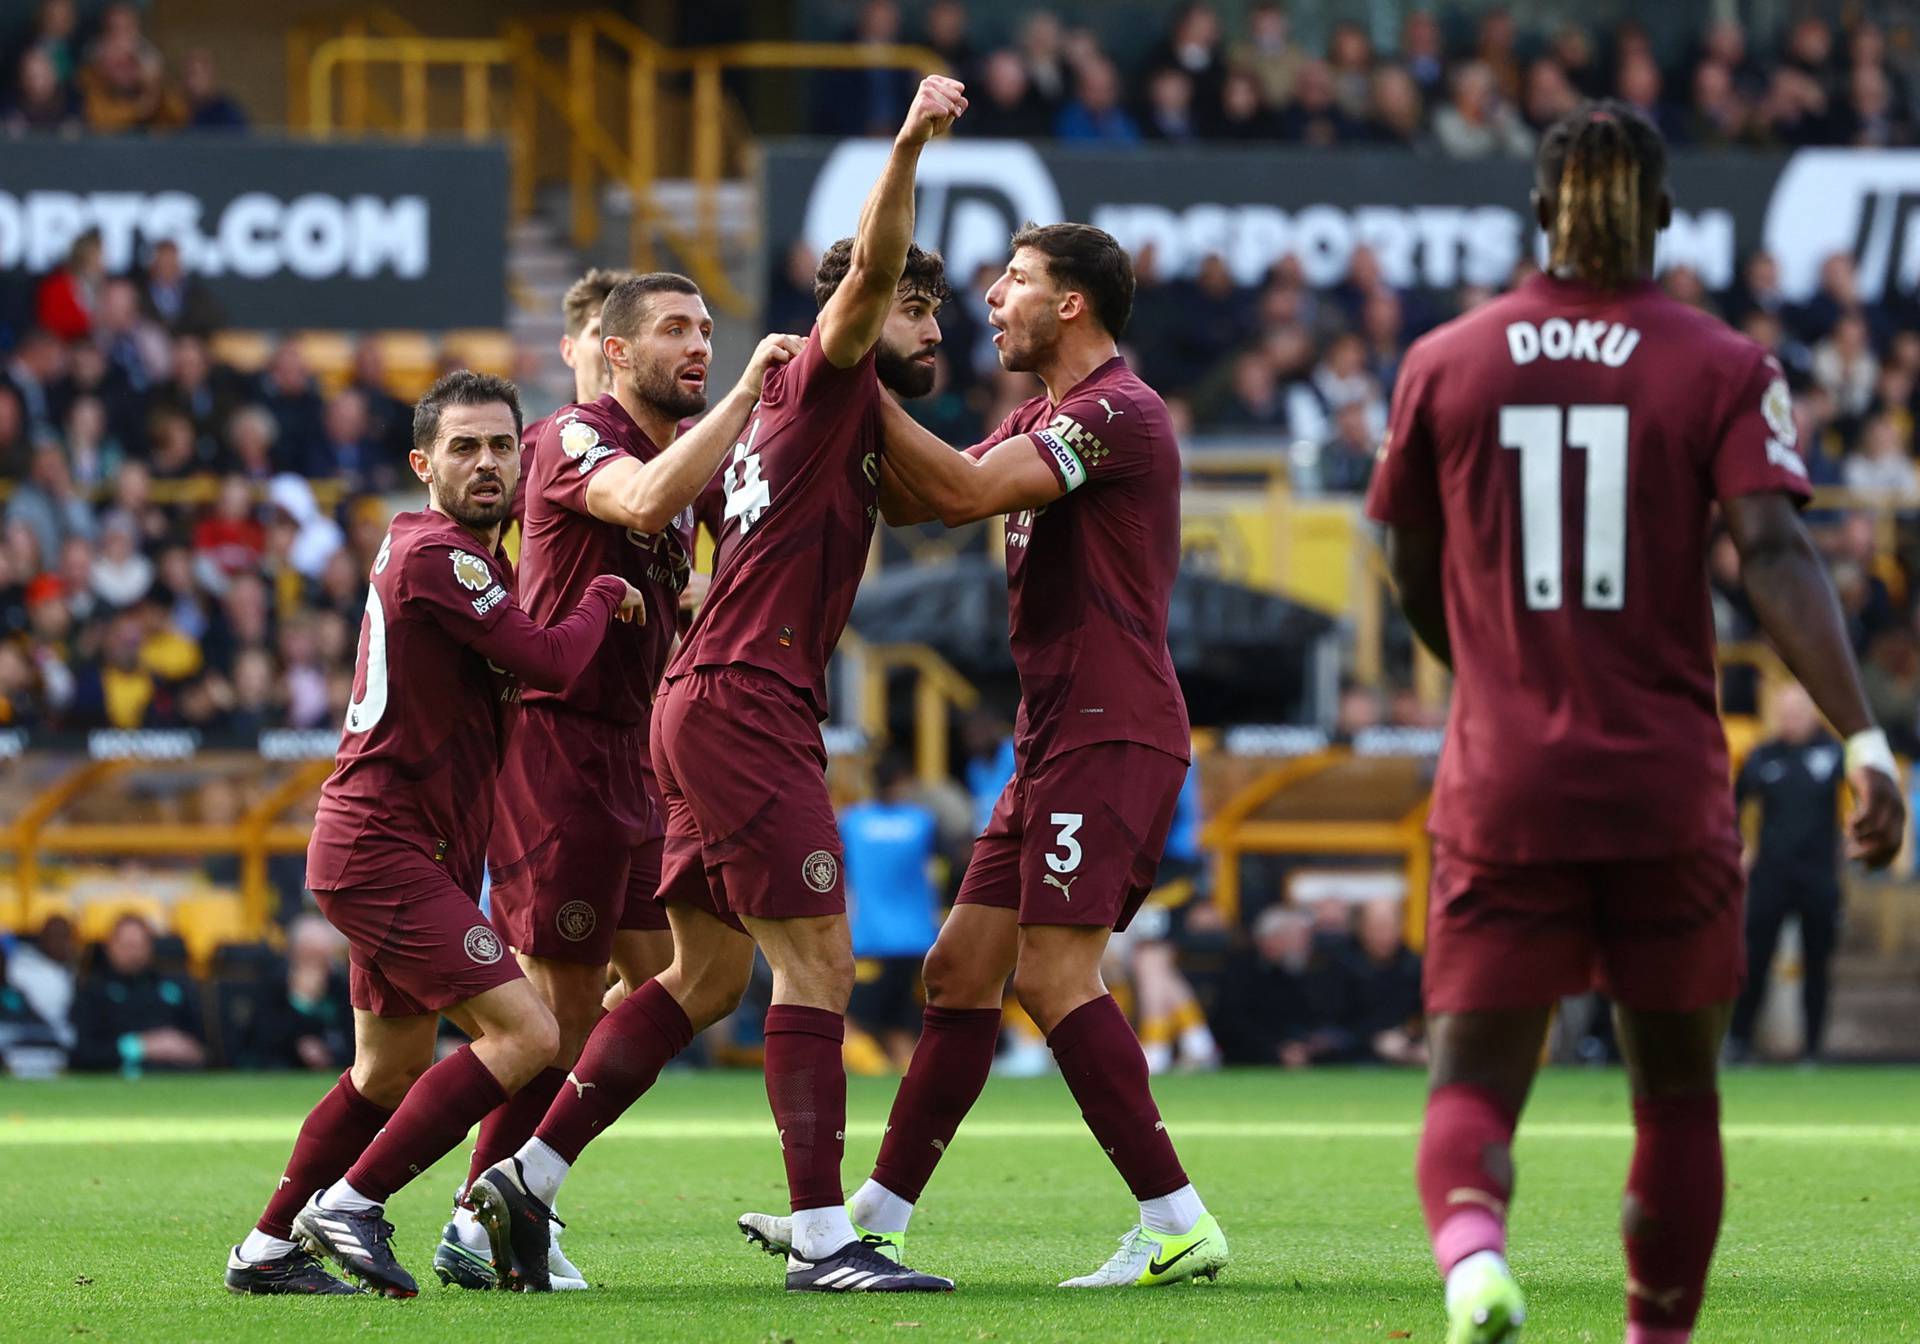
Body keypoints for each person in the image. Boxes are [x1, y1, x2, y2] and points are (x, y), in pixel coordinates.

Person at [1366, 101, 1906, 1344]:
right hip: (1666, 784)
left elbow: (1406, 568)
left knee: (1472, 1087)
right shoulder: (1721, 364)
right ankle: (1653, 1336)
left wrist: (1488, 676)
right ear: (1664, 215)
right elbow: (1773, 552)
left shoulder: (1447, 360)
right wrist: (1865, 739)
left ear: (1541, 210)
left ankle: (1475, 1263)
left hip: (1506, 784)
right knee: (1676, 1104)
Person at [467, 76, 965, 1296]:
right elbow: (872, 274)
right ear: (859, 306)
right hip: (746, 699)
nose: (935, 330)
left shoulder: (818, 417)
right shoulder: (827, 368)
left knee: (708, 976)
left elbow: (937, 487)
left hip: (695, 698)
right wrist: (905, 143)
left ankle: (524, 1180)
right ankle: (821, 1237)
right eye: (916, 308)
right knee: (822, 967)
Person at [752, 220, 1228, 1290]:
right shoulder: (1038, 418)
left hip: (1110, 730)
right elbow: (925, 499)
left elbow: (962, 495)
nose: (991, 296)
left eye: (1014, 280)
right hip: (1053, 738)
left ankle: (1175, 1218)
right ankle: (874, 1216)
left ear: (1071, 304)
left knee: (1056, 976)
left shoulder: (1119, 414)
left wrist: (847, 367)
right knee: (959, 969)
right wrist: (846, 376)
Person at [222, 370, 647, 1298]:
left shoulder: (466, 561)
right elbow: (550, 664)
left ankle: (264, 1249)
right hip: (383, 844)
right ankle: (353, 1203)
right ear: (423, 463)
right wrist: (603, 589)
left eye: (503, 446)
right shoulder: (438, 555)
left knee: (391, 1065)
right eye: (464, 447)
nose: (488, 463)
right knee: (531, 1030)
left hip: (412, 848)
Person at [439, 279, 802, 1293]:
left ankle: (516, 1186)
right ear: (611, 351)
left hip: (636, 756)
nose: (697, 346)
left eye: (705, 330)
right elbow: (639, 505)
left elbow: (681, 567)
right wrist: (743, 396)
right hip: (559, 755)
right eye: (675, 332)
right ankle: (483, 1217)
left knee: (694, 982)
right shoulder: (571, 440)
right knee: (554, 1017)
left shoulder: (670, 461)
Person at [1727, 683, 1848, 1063]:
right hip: (1771, 876)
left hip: (1818, 877)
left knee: (1817, 964)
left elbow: (1863, 800)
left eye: (1798, 711)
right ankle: (1739, 1042)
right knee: (1755, 960)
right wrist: (1739, 848)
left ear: (1813, 714)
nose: (1791, 719)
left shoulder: (1834, 753)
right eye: (1786, 711)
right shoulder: (1762, 756)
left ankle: (1813, 1049)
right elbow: (1729, 805)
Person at [841, 753, 944, 1069]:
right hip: (917, 939)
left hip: (871, 940)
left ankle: (876, 1073)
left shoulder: (850, 822)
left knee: (849, 1021)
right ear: (901, 782)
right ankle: (905, 1077)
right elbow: (942, 868)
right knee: (902, 1022)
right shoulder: (922, 822)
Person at [69, 914, 205, 1074]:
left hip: (175, 1079)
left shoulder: (172, 988)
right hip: (115, 1083)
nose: (133, 953)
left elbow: (203, 1046)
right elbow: (82, 1054)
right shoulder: (92, 991)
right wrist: (141, 1046)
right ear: (110, 947)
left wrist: (188, 1050)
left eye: (139, 945)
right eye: (126, 945)